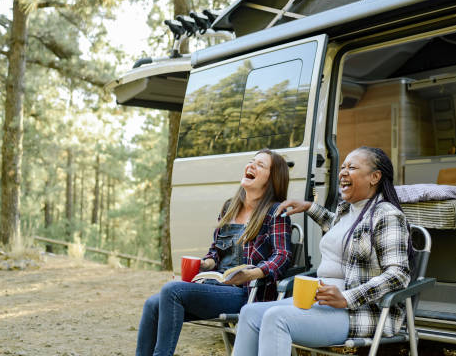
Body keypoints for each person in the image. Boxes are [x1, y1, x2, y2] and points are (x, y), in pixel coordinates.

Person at [233, 146, 411, 356]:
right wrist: (309, 206)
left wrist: (347, 298)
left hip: (357, 312)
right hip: (321, 302)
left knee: (276, 318)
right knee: (250, 313)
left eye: (352, 167)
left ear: (374, 177)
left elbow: (398, 274)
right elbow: (337, 228)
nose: (342, 172)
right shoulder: (347, 210)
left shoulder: (387, 215)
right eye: (342, 167)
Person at [135, 149, 292, 356]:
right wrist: (205, 265)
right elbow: (215, 253)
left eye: (260, 165)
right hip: (215, 287)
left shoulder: (275, 212)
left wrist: (252, 273)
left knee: (172, 291)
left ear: (272, 179)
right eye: (251, 161)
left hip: (245, 293)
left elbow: (283, 256)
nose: (251, 166)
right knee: (152, 304)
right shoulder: (230, 207)